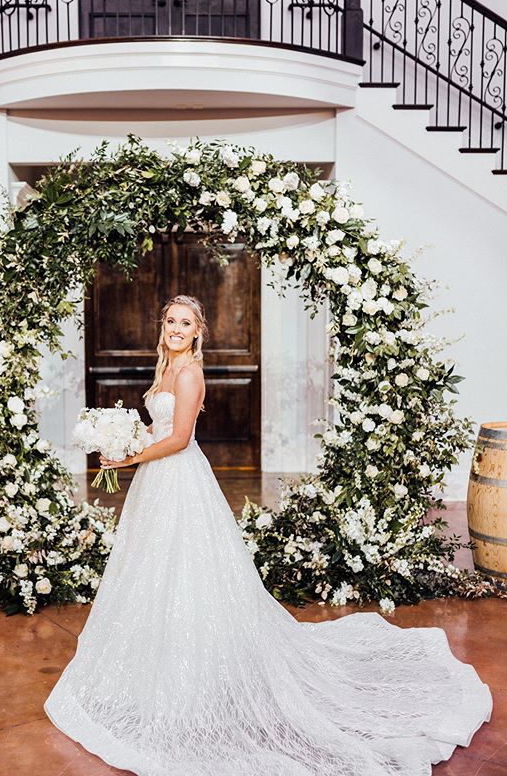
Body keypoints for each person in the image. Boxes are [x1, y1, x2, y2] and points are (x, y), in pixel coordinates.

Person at [44, 294, 492, 776]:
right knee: (150, 569)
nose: (176, 329)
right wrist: (125, 440)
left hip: (179, 479)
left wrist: (130, 458)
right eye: (171, 321)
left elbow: (179, 440)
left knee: (188, 570)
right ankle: (153, 670)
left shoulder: (191, 373)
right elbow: (158, 427)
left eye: (186, 323)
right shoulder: (165, 369)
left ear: (199, 331)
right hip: (155, 485)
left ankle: (196, 673)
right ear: (164, 327)